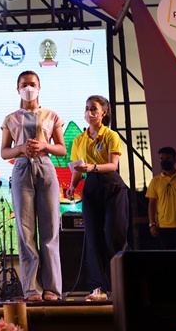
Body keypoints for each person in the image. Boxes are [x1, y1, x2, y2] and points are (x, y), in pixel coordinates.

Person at [0, 70, 66, 302]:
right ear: (17, 88)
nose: (29, 88)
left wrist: (44, 146)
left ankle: (52, 289)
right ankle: (32, 289)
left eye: (32, 84)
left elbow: (62, 149)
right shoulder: (10, 119)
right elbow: (4, 152)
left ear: (39, 87)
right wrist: (20, 149)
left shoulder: (51, 115)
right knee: (25, 232)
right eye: (24, 84)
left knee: (50, 230)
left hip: (45, 168)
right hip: (21, 169)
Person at [66, 95, 128, 302]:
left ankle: (120, 286)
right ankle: (97, 288)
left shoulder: (110, 135)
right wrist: (72, 186)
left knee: (114, 237)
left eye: (93, 108)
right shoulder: (78, 140)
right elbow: (77, 168)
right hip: (91, 187)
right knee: (92, 238)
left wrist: (92, 167)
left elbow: (113, 165)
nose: (89, 112)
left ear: (104, 112)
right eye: (87, 108)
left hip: (112, 187)